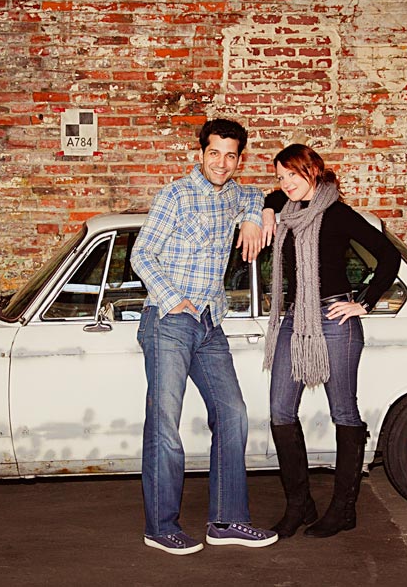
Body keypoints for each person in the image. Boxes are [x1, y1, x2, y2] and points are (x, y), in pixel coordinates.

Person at [130, 118, 279, 555]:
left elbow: (257, 195)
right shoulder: (176, 194)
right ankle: (160, 527)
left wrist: (257, 216)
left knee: (233, 414)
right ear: (200, 154)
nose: (222, 162)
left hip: (211, 322)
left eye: (231, 155)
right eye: (214, 153)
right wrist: (173, 298)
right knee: (164, 426)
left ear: (238, 159)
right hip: (169, 321)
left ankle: (227, 520)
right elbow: (142, 254)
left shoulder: (235, 193)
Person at [260, 143, 401, 539]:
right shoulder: (287, 213)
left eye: (294, 175)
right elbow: (270, 195)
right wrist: (271, 205)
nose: (286, 183)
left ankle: (343, 509)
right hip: (294, 318)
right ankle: (299, 504)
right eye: (281, 176)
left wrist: (364, 304)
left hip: (335, 318)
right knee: (280, 412)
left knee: (344, 411)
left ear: (314, 172)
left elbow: (388, 257)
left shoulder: (337, 214)